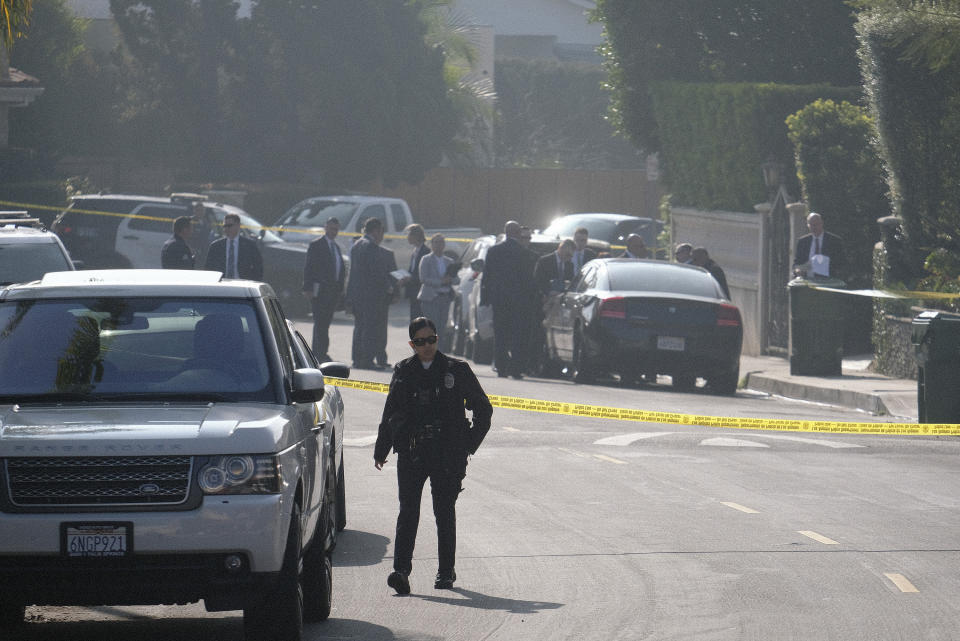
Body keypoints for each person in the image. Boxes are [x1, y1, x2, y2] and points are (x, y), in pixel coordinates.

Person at [374, 316, 493, 594]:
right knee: (408, 512)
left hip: (446, 454)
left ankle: (445, 572)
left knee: (443, 512)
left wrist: (467, 444)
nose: (426, 346)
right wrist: (382, 448)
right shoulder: (404, 370)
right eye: (420, 342)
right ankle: (400, 571)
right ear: (412, 344)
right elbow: (390, 411)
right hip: (413, 452)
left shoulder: (457, 370)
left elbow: (483, 410)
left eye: (431, 340)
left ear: (438, 339)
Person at [481, 220, 538, 379]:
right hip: (520, 301)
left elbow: (487, 276)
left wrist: (485, 298)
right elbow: (528, 280)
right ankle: (516, 368)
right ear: (518, 233)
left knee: (501, 334)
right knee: (518, 334)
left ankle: (501, 367)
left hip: (499, 300)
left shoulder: (494, 251)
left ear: (505, 232)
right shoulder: (525, 253)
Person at [346, 217, 398, 369]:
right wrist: (389, 287)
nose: (382, 234)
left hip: (358, 294)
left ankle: (357, 358)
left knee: (360, 328)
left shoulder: (356, 245)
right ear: (375, 230)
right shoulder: (371, 246)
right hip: (371, 296)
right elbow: (376, 273)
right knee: (369, 329)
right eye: (381, 231)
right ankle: (367, 360)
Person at [302, 217, 345, 361]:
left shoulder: (336, 247)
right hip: (319, 291)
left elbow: (340, 269)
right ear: (326, 228)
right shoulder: (317, 245)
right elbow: (309, 267)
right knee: (320, 323)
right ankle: (318, 354)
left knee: (326, 323)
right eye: (332, 229)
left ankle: (322, 352)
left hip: (332, 293)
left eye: (336, 229)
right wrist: (307, 287)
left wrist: (340, 289)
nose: (334, 232)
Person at [417, 234, 459, 351]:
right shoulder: (426, 259)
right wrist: (440, 282)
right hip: (430, 298)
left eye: (441, 243)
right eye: (436, 243)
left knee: (441, 328)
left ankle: (438, 352)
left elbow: (457, 279)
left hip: (444, 298)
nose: (439, 245)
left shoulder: (449, 261)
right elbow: (423, 278)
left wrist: (451, 279)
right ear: (431, 245)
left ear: (444, 245)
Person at [204, 213, 263, 280]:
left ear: (238, 226)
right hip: (221, 284)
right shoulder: (216, 246)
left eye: (229, 226)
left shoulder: (249, 246)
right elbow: (208, 268)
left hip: (242, 284)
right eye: (225, 226)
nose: (226, 229)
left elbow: (258, 268)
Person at [793, 212, 844, 279]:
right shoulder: (803, 242)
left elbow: (841, 263)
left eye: (816, 224)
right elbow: (797, 263)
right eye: (811, 224)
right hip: (808, 281)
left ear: (821, 223)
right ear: (808, 225)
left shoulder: (834, 241)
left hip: (828, 281)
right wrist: (797, 271)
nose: (814, 227)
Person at [404, 224, 431, 320]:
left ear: (416, 236)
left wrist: (411, 278)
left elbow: (424, 274)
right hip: (413, 291)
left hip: (420, 291)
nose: (408, 237)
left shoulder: (426, 252)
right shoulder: (415, 251)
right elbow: (412, 269)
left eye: (409, 235)